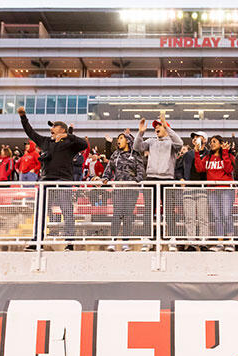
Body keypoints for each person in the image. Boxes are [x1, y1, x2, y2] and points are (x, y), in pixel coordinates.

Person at [18, 107, 88, 242]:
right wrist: (23, 117)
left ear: (62, 129)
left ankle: (69, 241)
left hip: (63, 180)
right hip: (45, 180)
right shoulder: (45, 141)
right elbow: (30, 132)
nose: (52, 128)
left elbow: (84, 144)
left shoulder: (70, 142)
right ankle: (37, 240)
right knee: (40, 211)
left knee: (67, 211)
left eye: (55, 126)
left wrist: (69, 136)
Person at [102, 130, 146, 251]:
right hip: (118, 190)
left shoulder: (136, 154)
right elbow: (108, 168)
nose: (118, 140)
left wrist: (136, 180)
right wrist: (105, 177)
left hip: (131, 190)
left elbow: (141, 170)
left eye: (121, 138)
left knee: (128, 216)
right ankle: (113, 241)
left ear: (127, 140)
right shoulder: (115, 154)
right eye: (118, 138)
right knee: (117, 215)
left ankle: (126, 243)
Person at [194, 135, 235, 251]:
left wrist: (226, 153)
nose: (211, 144)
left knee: (226, 215)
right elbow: (200, 168)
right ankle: (220, 242)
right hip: (212, 190)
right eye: (211, 142)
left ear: (221, 144)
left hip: (226, 189)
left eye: (214, 142)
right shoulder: (207, 158)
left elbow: (228, 169)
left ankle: (231, 241)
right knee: (217, 217)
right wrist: (197, 153)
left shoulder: (228, 156)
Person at [133, 113, 183, 180]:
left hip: (167, 178)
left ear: (166, 128)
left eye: (160, 125)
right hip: (151, 177)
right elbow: (137, 148)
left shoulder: (172, 142)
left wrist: (166, 126)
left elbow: (179, 144)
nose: (156, 127)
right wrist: (140, 133)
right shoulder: (151, 141)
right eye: (155, 126)